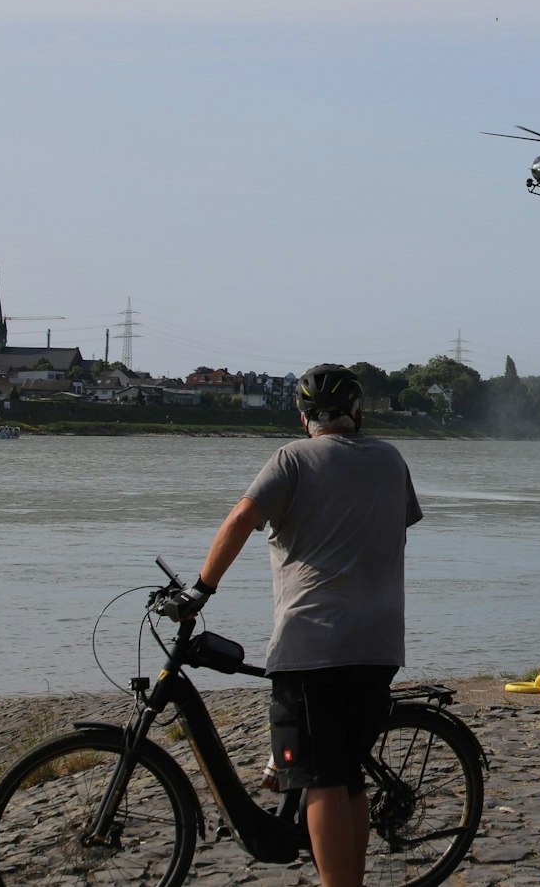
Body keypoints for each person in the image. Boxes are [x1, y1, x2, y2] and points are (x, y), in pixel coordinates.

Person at [166, 364, 421, 887]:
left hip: (313, 643)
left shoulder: (292, 459)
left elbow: (241, 519)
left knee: (322, 781)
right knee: (347, 776)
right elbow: (396, 528)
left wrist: (200, 590)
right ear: (357, 412)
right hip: (380, 644)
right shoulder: (391, 459)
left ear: (303, 417)